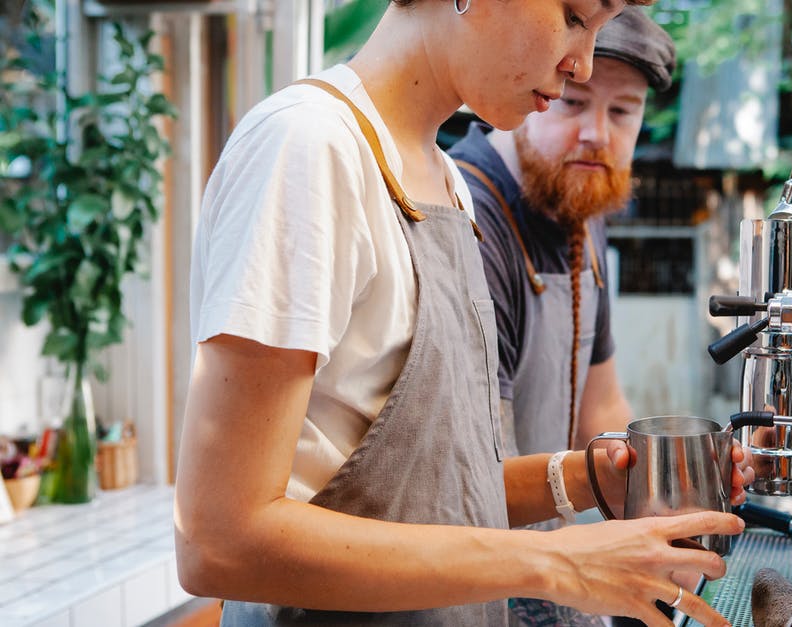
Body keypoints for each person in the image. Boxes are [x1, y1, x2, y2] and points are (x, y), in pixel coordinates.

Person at [175, 1, 749, 626]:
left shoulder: (443, 183)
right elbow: (220, 541)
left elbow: (429, 500)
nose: (580, 64)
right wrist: (555, 562)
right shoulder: (309, 148)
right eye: (574, 15)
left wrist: (587, 477)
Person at [448, 10, 705, 626]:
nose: (598, 134)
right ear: (531, 90)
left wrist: (676, 486)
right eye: (572, 102)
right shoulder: (470, 221)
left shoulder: (580, 206)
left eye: (622, 112)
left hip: (543, 552)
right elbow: (474, 487)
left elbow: (601, 412)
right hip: (480, 573)